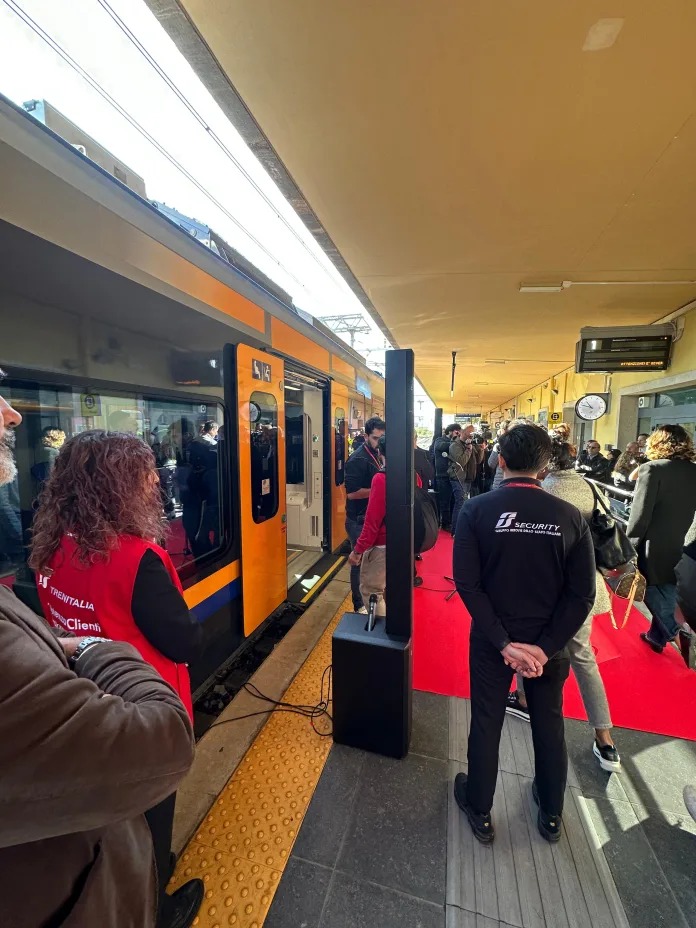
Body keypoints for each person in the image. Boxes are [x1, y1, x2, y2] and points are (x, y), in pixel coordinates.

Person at [0, 381, 197, 928]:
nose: (155, 480)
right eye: (143, 473)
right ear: (117, 487)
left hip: (80, 701)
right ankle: (158, 906)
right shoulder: (140, 558)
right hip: (137, 707)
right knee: (150, 817)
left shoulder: (50, 545)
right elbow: (184, 642)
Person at [453, 424, 595, 844]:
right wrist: (545, 647)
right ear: (545, 465)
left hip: (492, 640)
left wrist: (501, 641)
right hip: (548, 645)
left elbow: (468, 583)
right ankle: (551, 812)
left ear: (500, 459)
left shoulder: (476, 510)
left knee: (486, 719)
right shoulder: (569, 517)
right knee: (549, 723)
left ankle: (479, 808)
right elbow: (581, 594)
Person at [506, 437, 621, 772]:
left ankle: (524, 698)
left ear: (542, 464)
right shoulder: (589, 487)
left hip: (548, 589)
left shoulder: (544, 493)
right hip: (586, 585)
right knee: (584, 656)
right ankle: (605, 738)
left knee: (528, 641)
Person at [627, 425, 696, 654]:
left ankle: (675, 633)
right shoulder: (692, 470)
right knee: (667, 588)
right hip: (680, 539)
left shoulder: (652, 468)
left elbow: (640, 515)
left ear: (657, 443)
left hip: (651, 543)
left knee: (651, 591)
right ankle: (656, 637)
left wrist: (629, 546)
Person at [348, 435, 423, 613]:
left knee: (371, 591)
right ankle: (394, 630)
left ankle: (381, 638)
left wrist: (358, 550)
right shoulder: (413, 475)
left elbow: (372, 520)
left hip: (382, 545)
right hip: (404, 542)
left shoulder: (381, 479)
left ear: (380, 452)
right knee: (392, 588)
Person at [344, 416, 386, 610]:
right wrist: (380, 490)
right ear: (366, 436)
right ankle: (359, 605)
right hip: (358, 519)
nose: (379, 443)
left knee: (368, 563)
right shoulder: (357, 459)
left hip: (372, 518)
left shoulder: (379, 455)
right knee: (358, 562)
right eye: (376, 438)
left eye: (382, 438)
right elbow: (351, 493)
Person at [448, 425, 482, 534]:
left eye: (473, 434)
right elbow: (461, 461)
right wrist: (468, 449)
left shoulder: (471, 444)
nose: (471, 436)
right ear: (463, 432)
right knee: (460, 502)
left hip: (468, 477)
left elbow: (478, 460)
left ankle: (462, 527)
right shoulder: (455, 445)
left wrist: (481, 448)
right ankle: (455, 530)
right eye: (470, 433)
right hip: (457, 476)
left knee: (464, 502)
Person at [433, 424, 459, 531]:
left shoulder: (454, 443)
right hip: (443, 476)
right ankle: (445, 523)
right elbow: (442, 446)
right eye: (456, 432)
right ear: (450, 432)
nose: (458, 435)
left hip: (453, 475)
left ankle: (451, 522)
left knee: (453, 501)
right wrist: (456, 442)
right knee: (445, 502)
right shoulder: (440, 440)